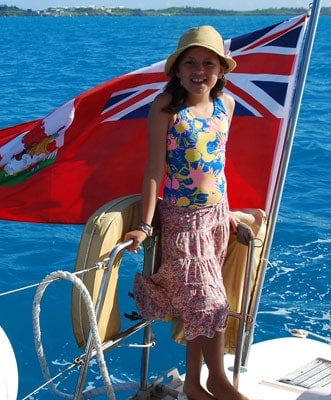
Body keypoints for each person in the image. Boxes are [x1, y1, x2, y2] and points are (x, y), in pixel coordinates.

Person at [123, 25, 249, 400]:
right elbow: (153, 171)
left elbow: (215, 164)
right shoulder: (166, 109)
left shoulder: (227, 106)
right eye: (190, 62)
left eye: (208, 63)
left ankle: (194, 383)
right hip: (184, 223)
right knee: (212, 302)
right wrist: (145, 226)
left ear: (221, 71)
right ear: (177, 70)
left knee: (199, 306)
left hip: (216, 219)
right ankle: (219, 382)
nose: (199, 70)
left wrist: (227, 214)